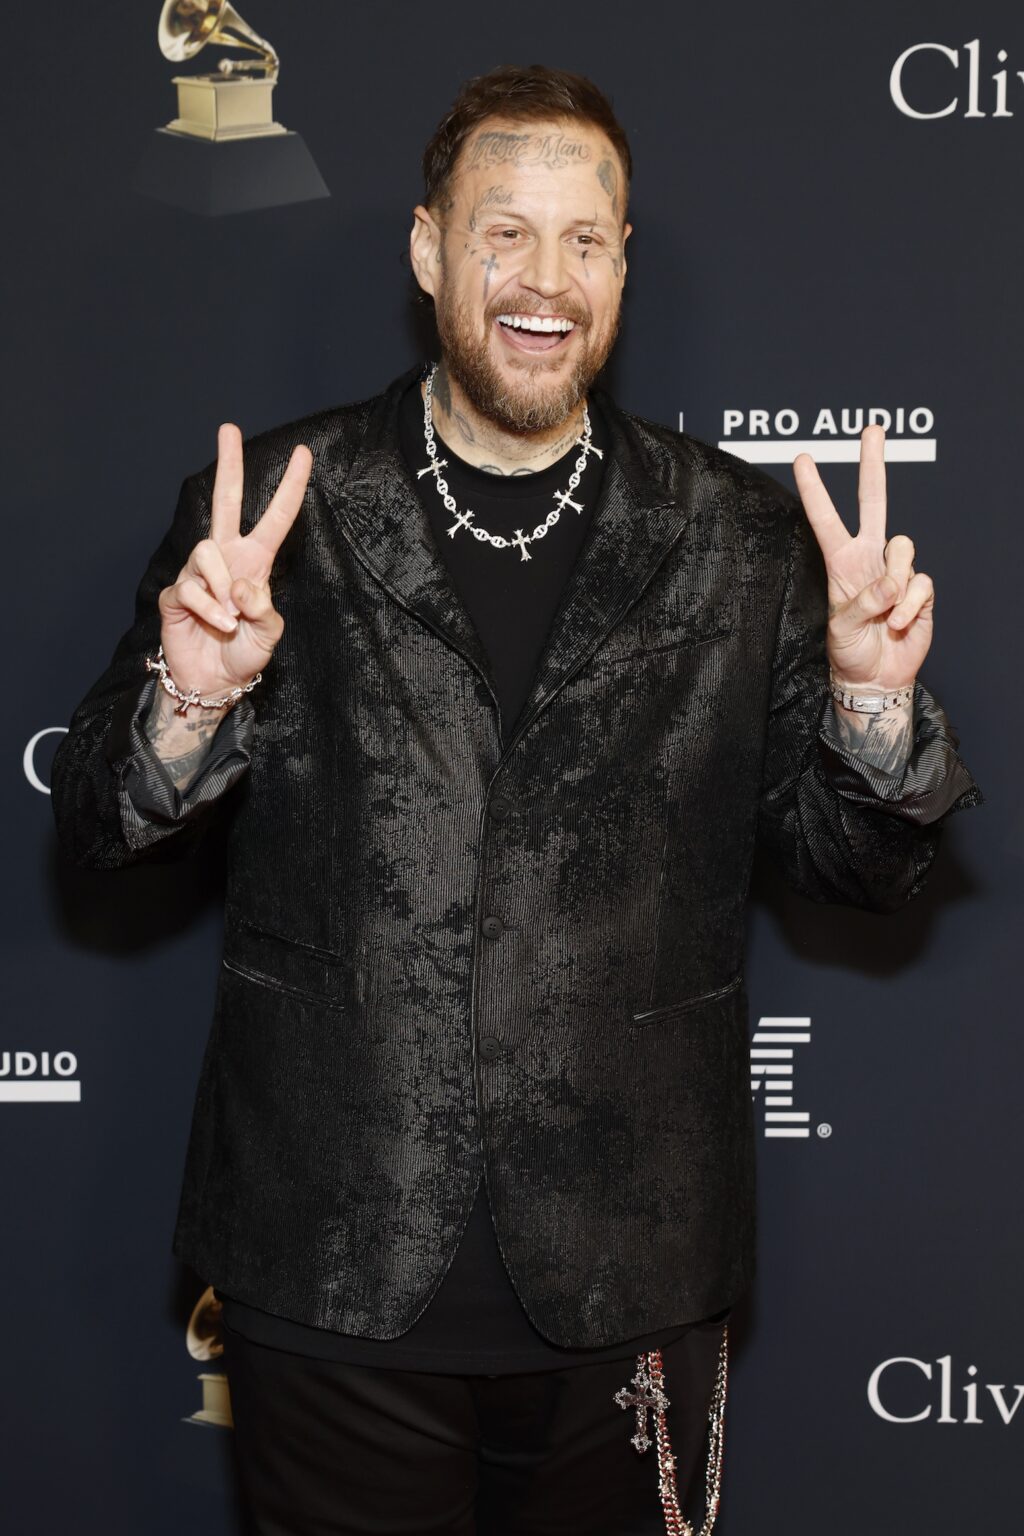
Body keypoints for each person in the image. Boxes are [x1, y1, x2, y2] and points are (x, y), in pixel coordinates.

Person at [51, 63, 982, 1536]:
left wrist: (870, 699)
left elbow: (862, 868)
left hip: (637, 1273)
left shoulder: (738, 535)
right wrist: (196, 694)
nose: (546, 280)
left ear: (622, 266)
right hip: (329, 1264)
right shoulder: (275, 510)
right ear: (430, 251)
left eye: (584, 240)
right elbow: (103, 825)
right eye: (506, 233)